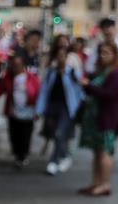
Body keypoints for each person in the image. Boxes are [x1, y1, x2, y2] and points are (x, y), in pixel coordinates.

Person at [77, 41, 118, 197]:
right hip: (96, 118)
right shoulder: (102, 71)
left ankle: (105, 184)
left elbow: (109, 95)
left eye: (107, 53)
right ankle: (97, 182)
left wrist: (89, 86)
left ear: (114, 55)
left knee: (105, 152)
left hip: (107, 118)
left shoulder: (116, 73)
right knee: (97, 152)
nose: (103, 56)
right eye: (101, 53)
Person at [35, 41, 85, 176]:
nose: (61, 58)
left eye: (64, 56)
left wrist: (79, 107)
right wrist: (39, 110)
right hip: (52, 106)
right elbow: (44, 91)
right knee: (54, 133)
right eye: (59, 56)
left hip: (67, 107)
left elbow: (79, 91)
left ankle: (54, 161)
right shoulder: (51, 72)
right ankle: (64, 156)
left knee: (60, 133)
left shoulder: (73, 72)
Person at [0, 53, 41, 168]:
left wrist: (38, 111)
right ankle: (17, 154)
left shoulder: (32, 78)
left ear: (23, 65)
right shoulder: (8, 78)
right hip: (13, 111)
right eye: (14, 65)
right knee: (14, 134)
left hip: (28, 112)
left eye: (18, 65)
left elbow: (38, 94)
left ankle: (23, 155)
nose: (15, 67)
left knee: (25, 134)